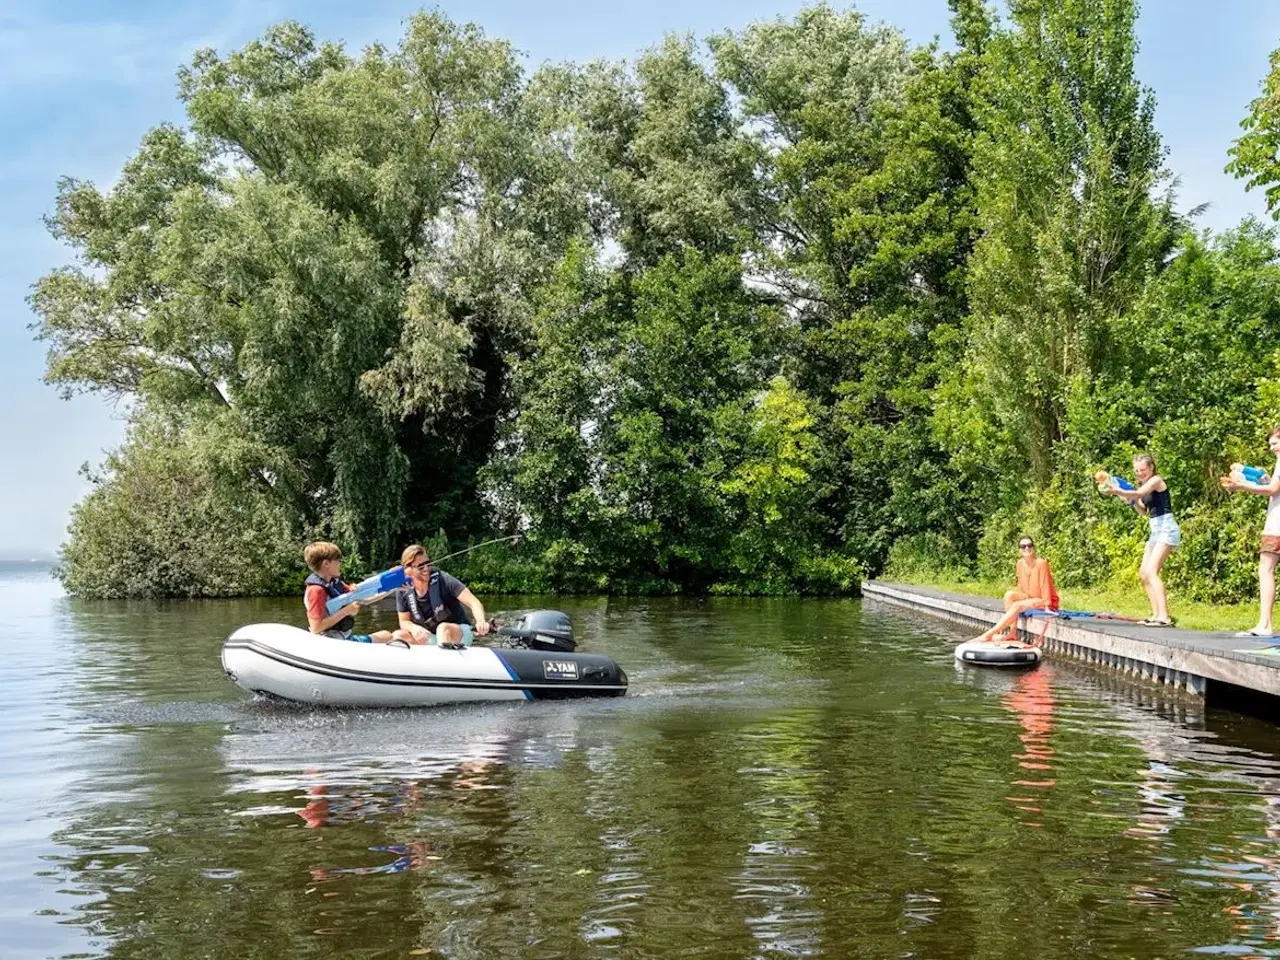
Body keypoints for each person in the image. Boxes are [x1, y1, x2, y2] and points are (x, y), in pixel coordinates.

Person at [1100, 452, 1179, 626]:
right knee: (1144, 573)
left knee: (1152, 572)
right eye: (1136, 471)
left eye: (1142, 470)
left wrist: (1117, 490)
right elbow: (1142, 510)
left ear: (1151, 467)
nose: (1139, 473)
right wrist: (1130, 500)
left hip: (1166, 529)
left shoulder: (1156, 481)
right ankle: (1156, 614)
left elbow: (1138, 493)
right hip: (1155, 530)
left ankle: (1165, 617)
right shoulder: (1142, 485)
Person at [1220, 427, 1280, 638]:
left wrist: (1241, 486)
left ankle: (1265, 624)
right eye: (1270, 444)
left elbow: (1272, 490)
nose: (1272, 448)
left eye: (1275, 443)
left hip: (1276, 525)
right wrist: (1259, 478)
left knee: (1266, 569)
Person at [302, 541, 410, 644]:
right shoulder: (316, 591)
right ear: (326, 563)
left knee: (387, 635)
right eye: (337, 561)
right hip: (332, 642)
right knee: (387, 637)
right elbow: (316, 628)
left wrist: (393, 586)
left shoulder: (334, 583)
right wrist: (346, 611)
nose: (340, 564)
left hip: (345, 637)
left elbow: (365, 599)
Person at [396, 543, 491, 648]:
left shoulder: (443, 579)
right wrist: (413, 628)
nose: (426, 569)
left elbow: (474, 602)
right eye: (421, 566)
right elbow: (404, 621)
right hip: (431, 636)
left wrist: (481, 621)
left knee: (443, 628)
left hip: (458, 632)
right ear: (408, 570)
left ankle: (444, 657)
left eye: (428, 563)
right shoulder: (403, 589)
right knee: (398, 635)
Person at [973, 536, 1060, 644]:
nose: (1027, 548)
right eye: (1023, 546)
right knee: (1009, 595)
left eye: (1029, 545)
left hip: (1042, 600)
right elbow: (1021, 585)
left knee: (1017, 605)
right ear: (1019, 550)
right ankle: (1012, 632)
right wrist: (1021, 600)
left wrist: (1047, 606)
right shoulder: (1019, 563)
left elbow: (1045, 584)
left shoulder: (1041, 563)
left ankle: (988, 634)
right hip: (1029, 597)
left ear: (1033, 548)